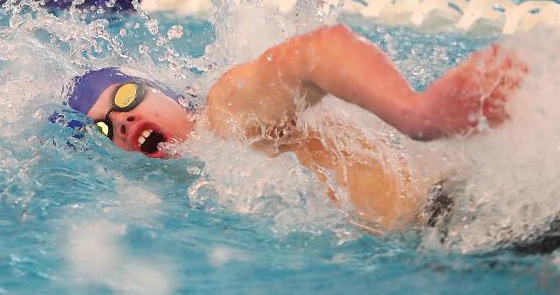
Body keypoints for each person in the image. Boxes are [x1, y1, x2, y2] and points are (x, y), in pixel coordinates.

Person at [65, 23, 526, 235]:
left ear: (163, 92)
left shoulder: (226, 113)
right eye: (106, 128)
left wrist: (418, 116)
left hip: (454, 216)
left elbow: (317, 51)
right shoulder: (202, 170)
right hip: (450, 231)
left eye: (125, 98)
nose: (121, 121)